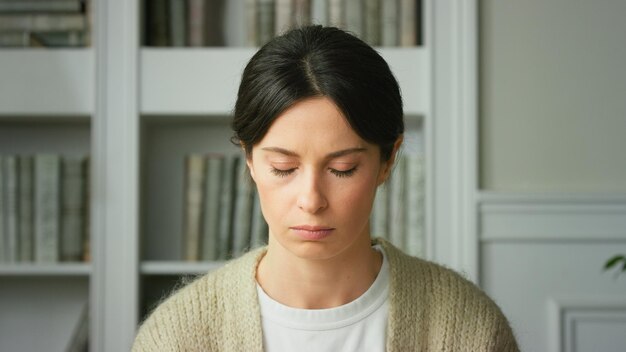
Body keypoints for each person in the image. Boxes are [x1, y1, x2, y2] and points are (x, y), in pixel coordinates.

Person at [132, 25, 519, 351]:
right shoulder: (177, 337)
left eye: (342, 169)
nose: (311, 200)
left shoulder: (469, 329)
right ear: (250, 160)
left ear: (388, 160)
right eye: (284, 168)